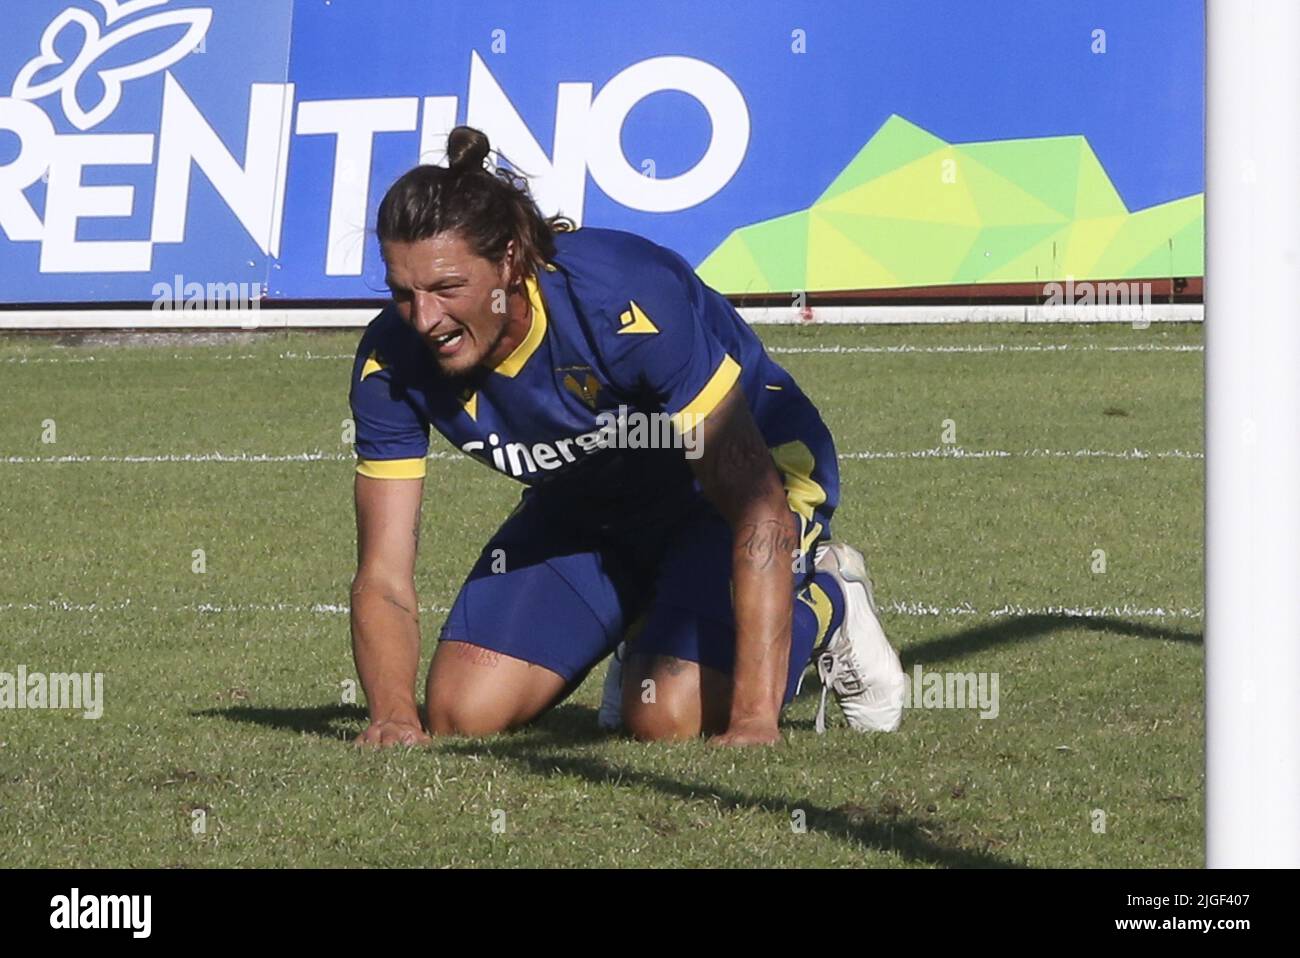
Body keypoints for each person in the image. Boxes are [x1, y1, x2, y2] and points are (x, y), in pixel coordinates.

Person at [347, 126, 905, 748]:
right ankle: (655, 614)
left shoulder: (620, 298)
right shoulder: (390, 360)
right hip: (593, 505)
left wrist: (753, 720)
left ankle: (828, 600)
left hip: (738, 483)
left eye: (448, 289)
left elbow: (756, 503)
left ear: (508, 260)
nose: (425, 319)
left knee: (664, 718)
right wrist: (391, 714)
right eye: (403, 293)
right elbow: (384, 571)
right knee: (461, 712)